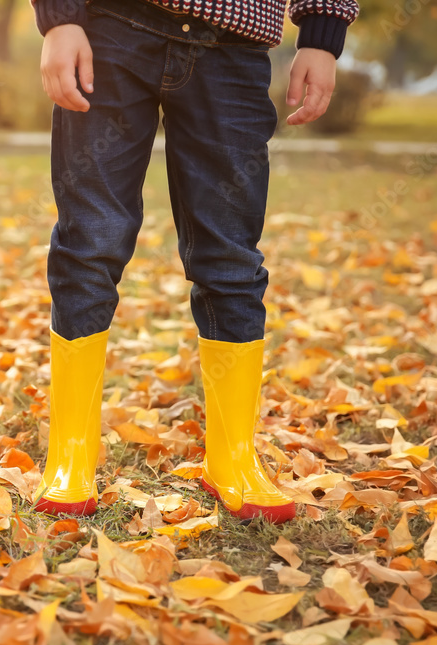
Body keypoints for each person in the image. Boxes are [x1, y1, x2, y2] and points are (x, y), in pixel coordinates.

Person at [30, 0, 359, 523]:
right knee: (89, 242)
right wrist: (60, 17)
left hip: (235, 44)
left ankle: (233, 458)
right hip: (112, 27)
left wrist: (322, 30)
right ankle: (69, 454)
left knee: (229, 256)